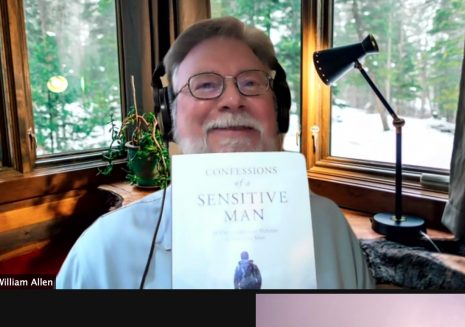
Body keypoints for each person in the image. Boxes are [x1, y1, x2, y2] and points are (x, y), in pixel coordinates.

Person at [55, 16, 374, 289]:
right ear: (170, 117)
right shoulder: (103, 250)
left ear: (277, 111)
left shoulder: (330, 227)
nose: (233, 99)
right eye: (205, 85)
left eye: (251, 83)